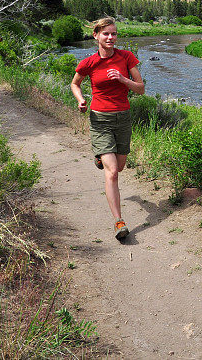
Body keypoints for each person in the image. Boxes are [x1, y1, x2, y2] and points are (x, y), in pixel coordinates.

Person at [71, 17, 144, 240]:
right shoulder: (89, 62)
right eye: (106, 34)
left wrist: (123, 79)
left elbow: (140, 89)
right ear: (96, 36)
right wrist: (80, 100)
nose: (111, 37)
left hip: (123, 118)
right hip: (100, 119)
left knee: (120, 167)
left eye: (113, 33)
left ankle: (101, 158)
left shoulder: (126, 58)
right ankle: (119, 222)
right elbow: (75, 83)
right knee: (112, 173)